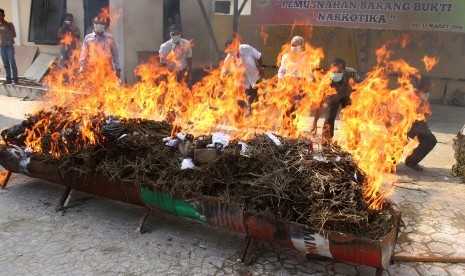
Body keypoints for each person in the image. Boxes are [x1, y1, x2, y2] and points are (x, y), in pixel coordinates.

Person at [404, 76, 437, 171]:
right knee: (399, 140)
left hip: (416, 123)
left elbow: (423, 113)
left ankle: (411, 161)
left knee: (430, 140)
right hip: (401, 124)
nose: (432, 86)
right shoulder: (411, 94)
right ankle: (388, 163)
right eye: (429, 84)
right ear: (423, 85)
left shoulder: (426, 94)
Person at [221, 38, 263, 110]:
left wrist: (261, 68)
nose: (231, 51)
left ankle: (253, 116)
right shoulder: (228, 58)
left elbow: (258, 56)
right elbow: (223, 72)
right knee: (239, 102)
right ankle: (240, 118)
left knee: (254, 102)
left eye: (232, 48)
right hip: (240, 81)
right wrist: (223, 81)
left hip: (253, 77)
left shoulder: (246, 48)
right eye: (229, 50)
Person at [321, 57, 353, 143]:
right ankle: (326, 143)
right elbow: (318, 102)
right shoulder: (326, 80)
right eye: (334, 71)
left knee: (351, 117)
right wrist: (314, 123)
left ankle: (353, 142)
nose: (336, 73)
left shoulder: (351, 74)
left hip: (346, 94)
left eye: (339, 71)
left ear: (344, 70)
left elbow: (360, 88)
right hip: (333, 96)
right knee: (329, 118)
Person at [0, 8, 18, 85]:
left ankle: (15, 80)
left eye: (0, 15)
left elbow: (14, 35)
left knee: (12, 63)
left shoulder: (9, 24)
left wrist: (6, 36)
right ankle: (8, 80)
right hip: (2, 47)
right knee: (5, 64)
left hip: (9, 46)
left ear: (4, 15)